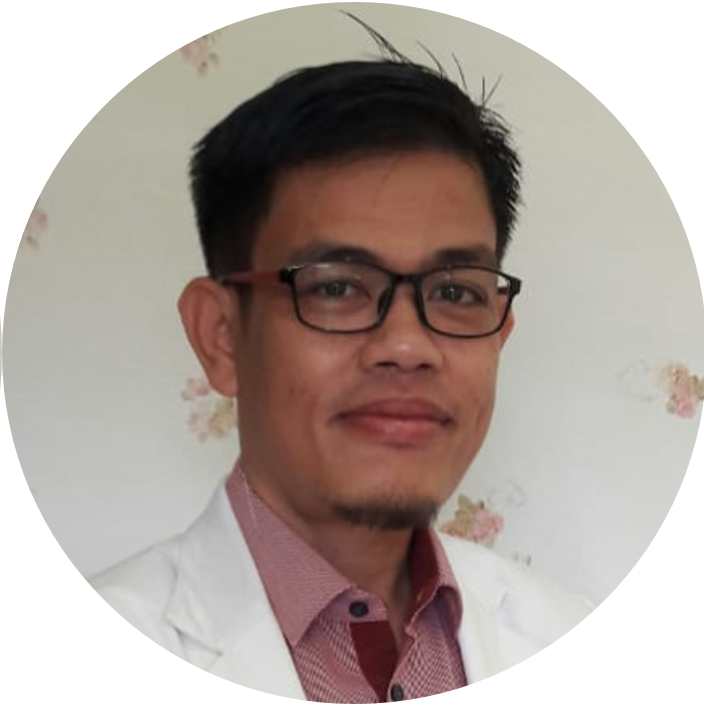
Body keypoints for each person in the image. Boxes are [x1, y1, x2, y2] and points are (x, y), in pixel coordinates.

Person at [91, 52, 593, 702]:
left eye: (455, 292)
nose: (408, 346)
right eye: (336, 287)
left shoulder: (576, 639)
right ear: (221, 336)